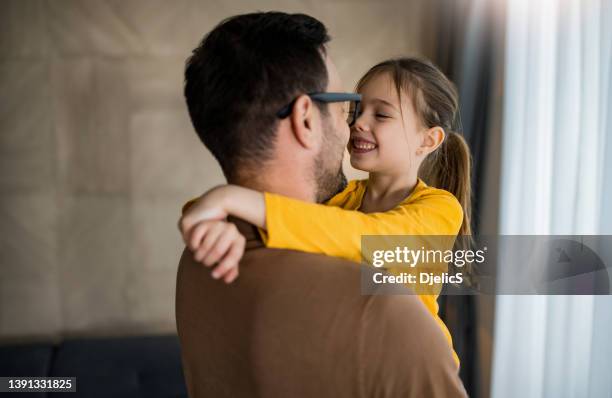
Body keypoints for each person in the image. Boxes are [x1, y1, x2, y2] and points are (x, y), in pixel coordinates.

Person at [176, 11, 468, 397]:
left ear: (428, 141)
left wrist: (230, 201)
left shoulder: (440, 209)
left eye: (380, 114)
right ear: (306, 120)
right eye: (354, 109)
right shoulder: (344, 200)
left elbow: (368, 237)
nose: (357, 123)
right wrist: (214, 212)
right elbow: (309, 225)